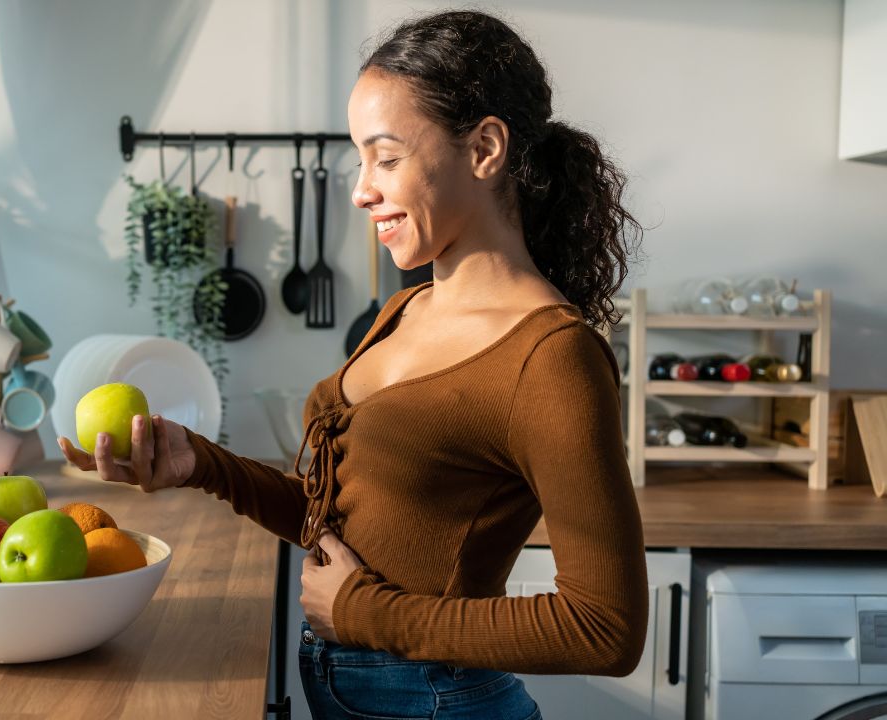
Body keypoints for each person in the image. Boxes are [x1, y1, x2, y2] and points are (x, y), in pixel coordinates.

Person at [60, 9, 647, 719]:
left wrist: (367, 614)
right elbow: (339, 525)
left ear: (486, 147)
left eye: (387, 157)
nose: (362, 188)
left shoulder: (552, 358)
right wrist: (203, 465)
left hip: (441, 701)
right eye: (359, 159)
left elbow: (606, 628)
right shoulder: (404, 312)